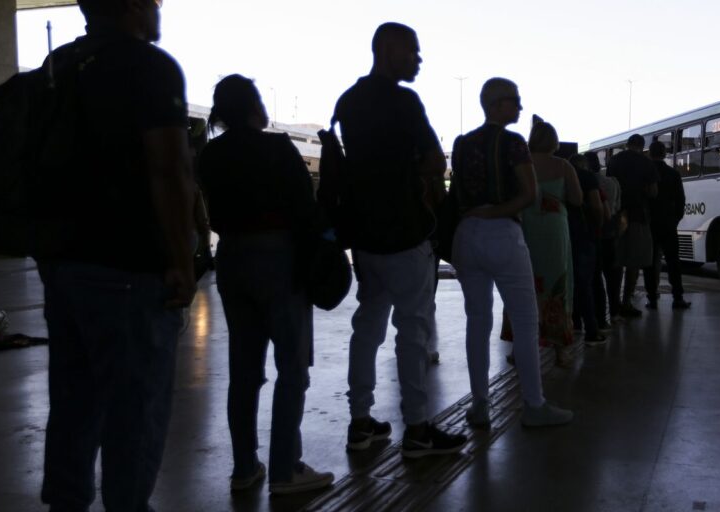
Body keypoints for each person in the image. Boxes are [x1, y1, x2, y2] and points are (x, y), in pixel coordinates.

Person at [36, 0, 195, 510]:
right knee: (135, 412)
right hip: (129, 268)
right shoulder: (149, 65)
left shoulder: (60, 65)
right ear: (132, 6)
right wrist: (182, 260)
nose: (158, 9)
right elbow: (169, 169)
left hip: (63, 265)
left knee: (73, 406)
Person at [333, 22, 466, 458]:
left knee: (367, 327)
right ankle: (418, 429)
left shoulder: (348, 101)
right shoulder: (404, 101)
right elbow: (435, 160)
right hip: (406, 233)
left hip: (365, 237)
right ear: (388, 49)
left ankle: (360, 422)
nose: (418, 60)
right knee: (412, 331)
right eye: (412, 51)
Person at [198, 75, 334, 495]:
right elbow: (305, 209)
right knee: (291, 367)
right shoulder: (276, 147)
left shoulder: (210, 154)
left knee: (244, 370)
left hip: (232, 258)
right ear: (255, 106)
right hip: (279, 257)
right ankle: (285, 469)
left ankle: (244, 468)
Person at [450, 77, 573, 429]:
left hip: (466, 235)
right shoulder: (513, 142)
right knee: (525, 319)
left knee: (477, 321)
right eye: (514, 100)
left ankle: (480, 405)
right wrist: (497, 212)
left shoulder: (462, 144)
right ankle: (533, 404)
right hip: (502, 234)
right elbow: (530, 194)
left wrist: (476, 214)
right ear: (495, 103)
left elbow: (457, 192)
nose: (520, 106)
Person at [506, 119, 582, 366]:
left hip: (525, 229)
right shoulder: (563, 165)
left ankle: (518, 349)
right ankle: (561, 351)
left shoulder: (521, 165)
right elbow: (577, 199)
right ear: (553, 141)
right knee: (557, 284)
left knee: (523, 285)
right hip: (554, 233)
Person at [606, 134, 659, 318]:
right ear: (642, 146)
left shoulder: (614, 161)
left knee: (617, 260)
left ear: (627, 145)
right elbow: (653, 192)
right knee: (634, 261)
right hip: (638, 215)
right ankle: (626, 301)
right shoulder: (646, 163)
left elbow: (610, 186)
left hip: (617, 214)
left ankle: (613, 302)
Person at [644, 141, 691, 309]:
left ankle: (652, 298)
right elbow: (680, 200)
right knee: (673, 261)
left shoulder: (645, 174)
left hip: (650, 223)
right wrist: (675, 219)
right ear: (664, 154)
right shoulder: (673, 174)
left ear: (650, 154)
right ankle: (678, 297)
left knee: (650, 262)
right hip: (668, 224)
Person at [568, 154, 606, 344]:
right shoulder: (587, 177)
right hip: (584, 233)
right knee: (586, 282)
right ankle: (592, 328)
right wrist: (597, 227)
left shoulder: (559, 175)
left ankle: (574, 322)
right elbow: (597, 207)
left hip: (561, 233)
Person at [589, 151, 622, 325]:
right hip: (612, 232)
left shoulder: (585, 181)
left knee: (595, 278)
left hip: (594, 233)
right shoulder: (612, 182)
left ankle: (599, 316)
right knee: (613, 277)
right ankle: (615, 312)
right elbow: (617, 206)